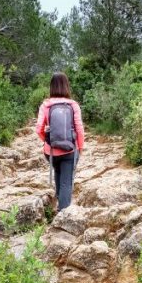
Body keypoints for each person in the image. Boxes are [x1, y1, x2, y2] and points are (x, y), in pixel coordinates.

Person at [36, 72, 85, 211]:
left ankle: (58, 202)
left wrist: (47, 141)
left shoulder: (45, 105)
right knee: (66, 182)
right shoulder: (73, 105)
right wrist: (80, 147)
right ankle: (63, 212)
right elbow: (79, 128)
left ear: (51, 86)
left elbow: (39, 128)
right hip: (69, 149)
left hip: (51, 151)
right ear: (66, 86)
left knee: (57, 170)